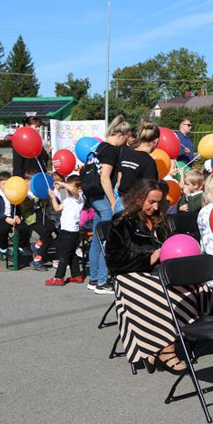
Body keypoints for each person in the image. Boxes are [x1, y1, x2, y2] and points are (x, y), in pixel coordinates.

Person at [107, 179, 213, 373]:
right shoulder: (121, 222)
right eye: (151, 202)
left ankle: (154, 345)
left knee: (196, 288)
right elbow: (114, 261)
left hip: (161, 273)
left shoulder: (162, 221)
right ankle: (167, 349)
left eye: (159, 202)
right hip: (131, 275)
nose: (156, 206)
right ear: (138, 198)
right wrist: (149, 259)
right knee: (164, 295)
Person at [87, 115, 130, 295]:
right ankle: (102, 282)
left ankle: (94, 278)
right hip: (103, 197)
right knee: (107, 239)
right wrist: (113, 203)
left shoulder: (100, 147)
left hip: (93, 196)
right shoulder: (111, 150)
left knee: (97, 239)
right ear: (120, 134)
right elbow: (105, 178)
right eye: (126, 138)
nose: (126, 142)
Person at [44, 175, 84, 286]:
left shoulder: (80, 197)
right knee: (71, 253)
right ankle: (76, 275)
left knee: (64, 254)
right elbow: (57, 208)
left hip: (71, 231)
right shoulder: (68, 199)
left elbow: (73, 189)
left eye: (69, 187)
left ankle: (58, 277)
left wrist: (61, 183)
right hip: (65, 229)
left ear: (79, 188)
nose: (67, 189)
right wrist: (52, 195)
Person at [0, 171, 31, 258]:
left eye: (8, 184)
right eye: (3, 184)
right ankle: (3, 248)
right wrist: (5, 218)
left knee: (25, 228)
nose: (5, 186)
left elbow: (17, 207)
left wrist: (18, 216)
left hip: (12, 218)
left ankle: (20, 247)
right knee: (4, 229)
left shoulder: (13, 193)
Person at [116, 119, 159, 198]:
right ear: (156, 141)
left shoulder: (125, 153)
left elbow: (119, 181)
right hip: (135, 204)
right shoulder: (148, 161)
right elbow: (150, 190)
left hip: (120, 201)